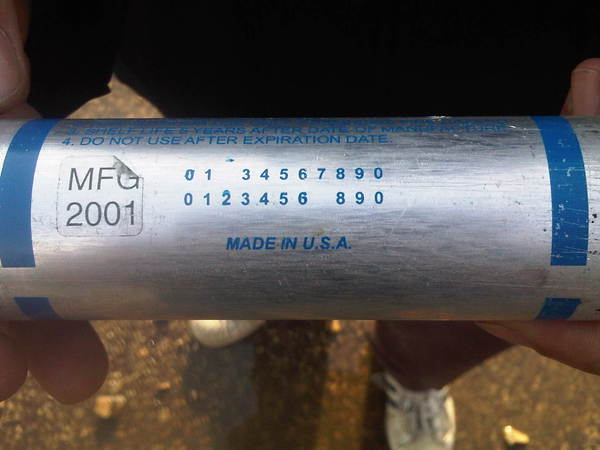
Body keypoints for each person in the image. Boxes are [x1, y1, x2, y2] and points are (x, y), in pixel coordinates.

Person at [1, 1, 600, 448]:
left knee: (468, 314)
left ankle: (413, 379)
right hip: (217, 42)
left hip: (516, 88)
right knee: (223, 162)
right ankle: (241, 280)